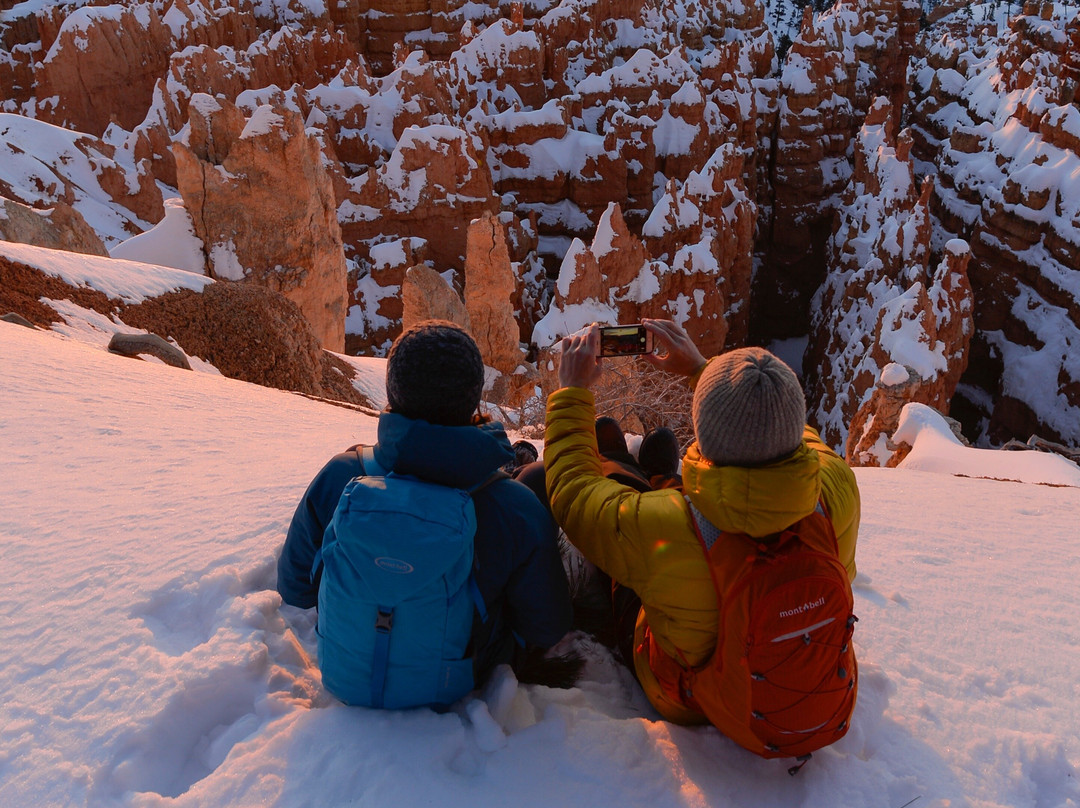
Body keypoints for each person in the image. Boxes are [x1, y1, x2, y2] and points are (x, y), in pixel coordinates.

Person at [544, 319, 860, 729]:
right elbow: (797, 434)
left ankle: (634, 473)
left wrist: (572, 392)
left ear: (704, 432)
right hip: (808, 682)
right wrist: (703, 371)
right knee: (669, 503)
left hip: (691, 701)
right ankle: (656, 476)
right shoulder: (837, 486)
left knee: (620, 499)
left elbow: (573, 492)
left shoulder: (667, 525)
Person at [277, 320, 575, 692]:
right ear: (473, 399)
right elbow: (546, 627)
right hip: (460, 677)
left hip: (345, 673)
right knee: (534, 474)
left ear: (393, 392)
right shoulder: (512, 505)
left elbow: (294, 588)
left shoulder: (343, 476)